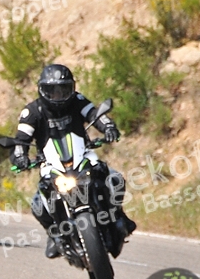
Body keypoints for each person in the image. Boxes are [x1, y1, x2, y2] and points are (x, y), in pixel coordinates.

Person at [9, 64, 136, 258]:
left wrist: (109, 127)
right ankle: (55, 234)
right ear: (42, 90)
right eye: (52, 91)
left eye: (63, 90)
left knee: (114, 177)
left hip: (82, 154)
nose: (58, 96)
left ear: (72, 87)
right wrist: (20, 157)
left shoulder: (77, 100)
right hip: (51, 163)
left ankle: (118, 214)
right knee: (38, 203)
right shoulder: (32, 111)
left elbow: (94, 115)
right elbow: (21, 140)